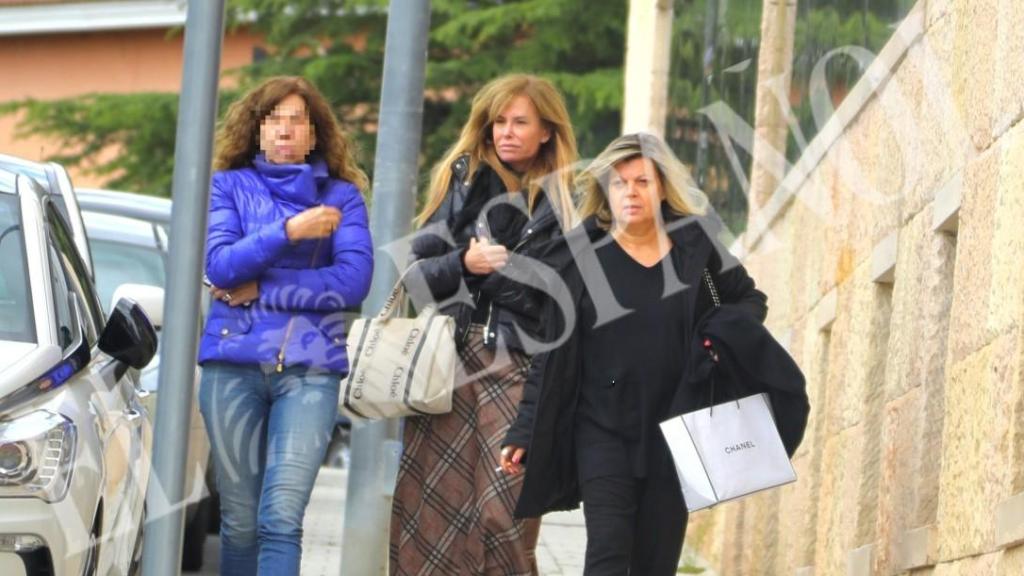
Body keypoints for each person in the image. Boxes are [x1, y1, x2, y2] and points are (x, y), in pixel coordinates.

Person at [500, 132, 768, 575]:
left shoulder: (694, 246)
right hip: (601, 427)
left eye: (642, 181)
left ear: (662, 187)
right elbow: (552, 353)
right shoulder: (580, 256)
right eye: (619, 182)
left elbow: (748, 299)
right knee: (607, 554)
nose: (630, 192)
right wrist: (525, 430)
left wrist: (717, 341)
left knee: (655, 562)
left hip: (678, 426)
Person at [389, 73, 578, 575]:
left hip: (520, 368)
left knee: (503, 517)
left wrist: (494, 275)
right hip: (448, 368)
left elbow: (560, 303)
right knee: (433, 522)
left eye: (521, 122)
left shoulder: (570, 205)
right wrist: (463, 266)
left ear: (547, 132)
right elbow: (417, 279)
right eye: (499, 121)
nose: (507, 132)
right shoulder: (461, 184)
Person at [197, 76, 373, 576]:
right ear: (257, 132)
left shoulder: (343, 196)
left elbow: (353, 282)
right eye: (274, 120)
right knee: (241, 522)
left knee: (280, 518)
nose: (285, 131)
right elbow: (223, 266)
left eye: (298, 121)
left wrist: (265, 289)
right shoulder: (226, 186)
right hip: (232, 367)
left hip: (310, 371)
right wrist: (290, 231)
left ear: (315, 136)